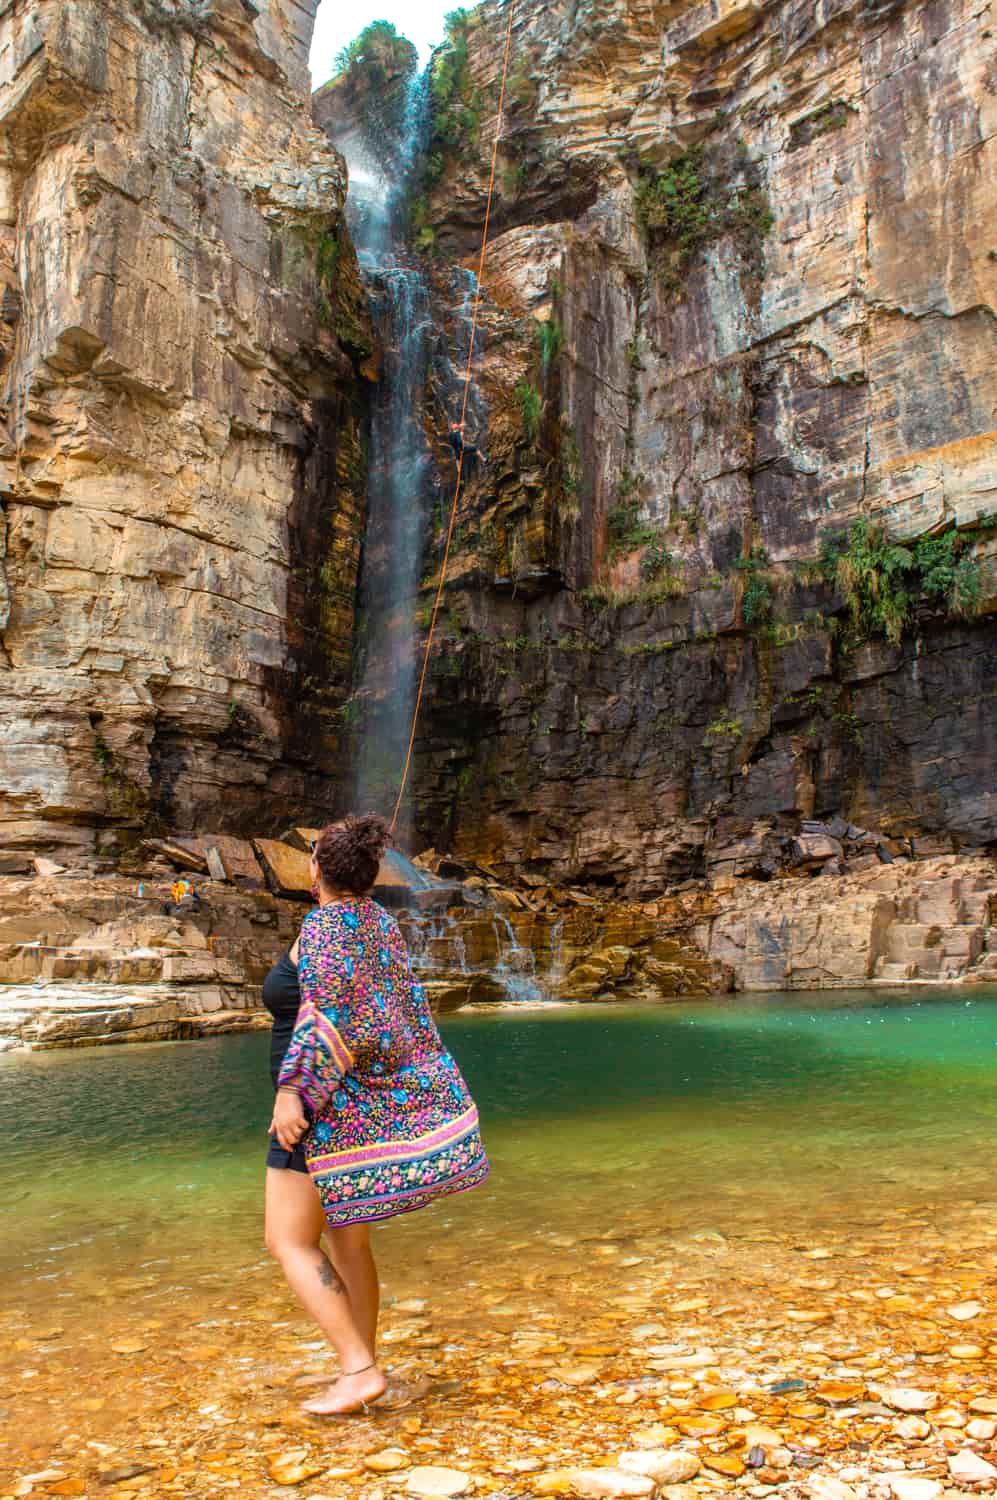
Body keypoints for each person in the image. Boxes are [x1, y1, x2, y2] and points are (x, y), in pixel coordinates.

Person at [263, 814, 489, 1416]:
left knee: (287, 1240)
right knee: (349, 1245)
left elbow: (332, 1016)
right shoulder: (378, 921)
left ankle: (358, 1370)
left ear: (314, 870)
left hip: (321, 1111)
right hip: (358, 1104)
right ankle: (361, 1360)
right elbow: (392, 1012)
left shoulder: (325, 926)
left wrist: (293, 1094)